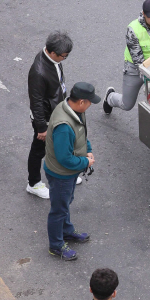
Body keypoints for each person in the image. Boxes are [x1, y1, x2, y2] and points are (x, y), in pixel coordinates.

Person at [44, 82, 100, 260]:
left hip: (67, 173)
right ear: (82, 101)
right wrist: (85, 161)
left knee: (65, 202)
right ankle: (56, 245)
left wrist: (88, 149)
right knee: (59, 209)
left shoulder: (73, 110)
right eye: (90, 102)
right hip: (61, 174)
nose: (91, 105)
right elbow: (64, 158)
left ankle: (66, 231)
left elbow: (82, 135)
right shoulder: (64, 126)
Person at [103, 0, 150, 114]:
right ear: (143, 14)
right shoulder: (133, 29)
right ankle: (110, 97)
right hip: (135, 68)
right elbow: (138, 60)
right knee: (126, 104)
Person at [27, 31, 73, 199]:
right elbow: (36, 101)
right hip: (46, 118)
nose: (64, 59)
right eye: (64, 56)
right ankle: (33, 183)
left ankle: (65, 171)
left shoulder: (51, 59)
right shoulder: (39, 72)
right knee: (38, 150)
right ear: (52, 52)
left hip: (57, 111)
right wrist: (41, 127)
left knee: (60, 142)